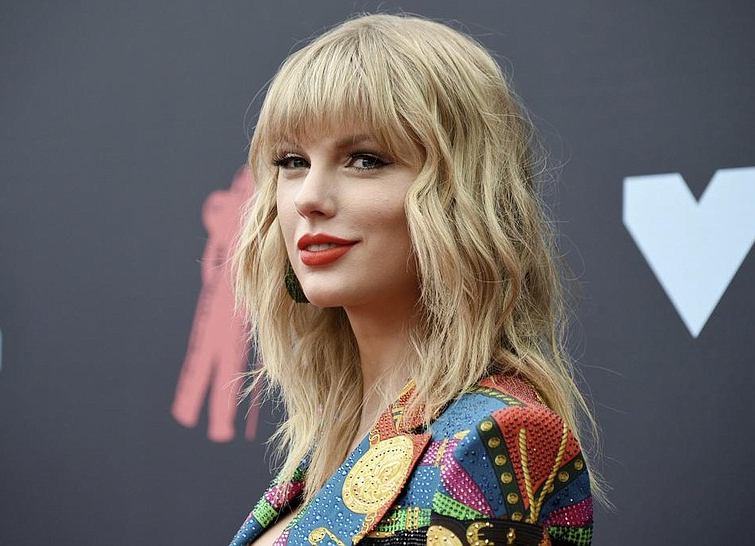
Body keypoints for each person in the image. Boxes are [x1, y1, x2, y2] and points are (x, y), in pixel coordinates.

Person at [229, 13, 600, 546]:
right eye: (292, 161)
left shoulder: (496, 439)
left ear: (459, 195)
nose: (309, 196)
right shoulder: (324, 450)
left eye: (364, 159)